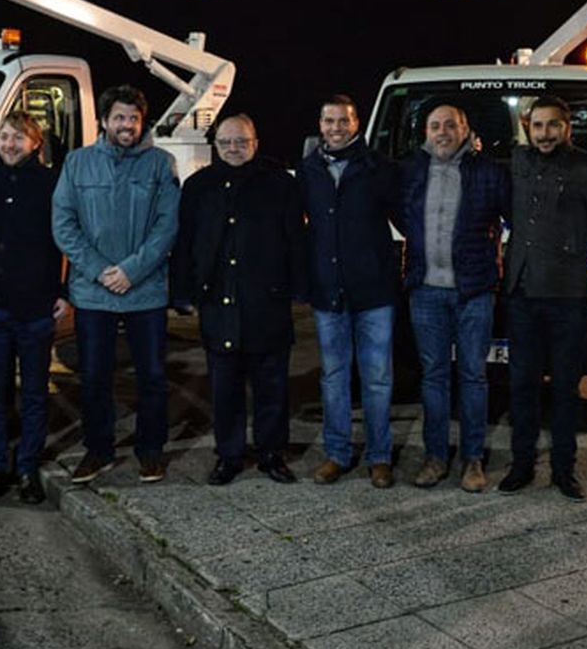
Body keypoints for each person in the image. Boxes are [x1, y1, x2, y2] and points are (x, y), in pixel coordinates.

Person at [52, 85, 180, 485]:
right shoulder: (77, 163)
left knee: (152, 377)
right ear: (104, 121)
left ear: (143, 122)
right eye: (119, 117)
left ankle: (151, 451)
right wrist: (99, 269)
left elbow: (167, 225)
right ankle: (98, 450)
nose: (127, 125)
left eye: (133, 118)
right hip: (94, 292)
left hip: (145, 291)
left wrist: (132, 271)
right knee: (94, 377)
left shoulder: (161, 164)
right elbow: (64, 223)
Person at [171, 113, 305, 486]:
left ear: (255, 144)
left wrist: (299, 287)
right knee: (224, 386)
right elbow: (185, 243)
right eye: (226, 142)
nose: (234, 148)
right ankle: (228, 455)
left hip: (267, 300)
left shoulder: (280, 185)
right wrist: (182, 291)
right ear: (216, 146)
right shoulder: (198, 187)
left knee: (271, 385)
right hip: (218, 301)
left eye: (241, 142)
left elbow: (296, 239)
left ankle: (271, 453)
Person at [498, 95, 587, 501]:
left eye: (553, 126)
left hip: (569, 296)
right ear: (528, 128)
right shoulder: (517, 163)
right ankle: (521, 464)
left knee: (565, 388)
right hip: (522, 293)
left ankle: (564, 470)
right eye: (538, 126)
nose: (545, 134)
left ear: (567, 127)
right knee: (521, 385)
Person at [396, 101, 509, 492]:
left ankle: (473, 459)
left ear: (465, 130)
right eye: (435, 126)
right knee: (433, 377)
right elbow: (401, 215)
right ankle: (435, 457)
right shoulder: (411, 171)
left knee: (474, 376)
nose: (442, 132)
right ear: (425, 132)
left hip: (474, 291)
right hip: (426, 292)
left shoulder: (489, 172)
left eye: (450, 125)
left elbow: (508, 216)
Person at [298, 94, 399, 488]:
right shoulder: (308, 170)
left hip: (373, 291)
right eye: (329, 121)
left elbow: (406, 218)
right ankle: (337, 453)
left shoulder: (378, 168)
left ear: (357, 124)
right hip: (328, 292)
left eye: (343, 120)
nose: (336, 128)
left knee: (377, 378)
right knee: (334, 377)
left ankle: (379, 456)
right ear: (320, 125)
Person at [0, 112, 69, 504]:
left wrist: (63, 290)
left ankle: (27, 467)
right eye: (5, 137)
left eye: (18, 138)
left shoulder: (51, 185)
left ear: (35, 143)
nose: (10, 144)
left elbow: (63, 239)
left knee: (33, 395)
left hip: (34, 306)